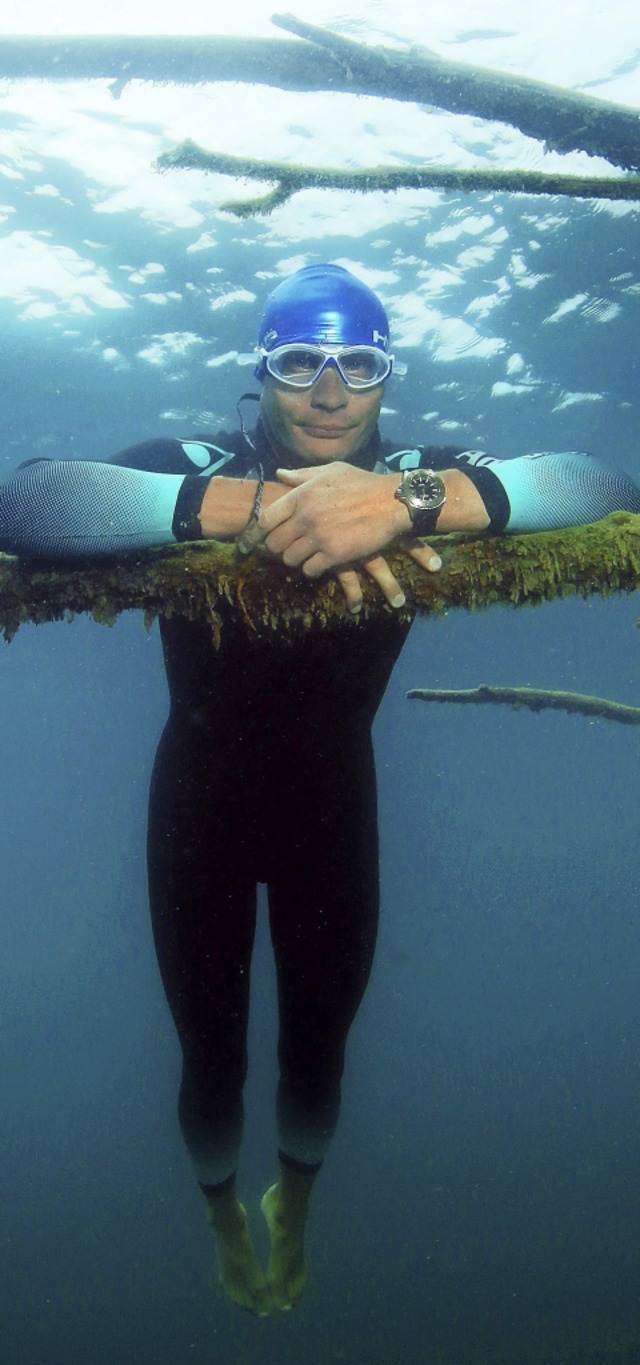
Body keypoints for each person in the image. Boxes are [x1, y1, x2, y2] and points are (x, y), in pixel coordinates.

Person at [1, 264, 639, 1317]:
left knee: (318, 1052)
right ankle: (218, 1218)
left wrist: (408, 502)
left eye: (360, 364)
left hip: (334, 807)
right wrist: (248, 510)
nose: (332, 392)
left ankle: (294, 1207)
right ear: (262, 376)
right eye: (301, 363)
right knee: (208, 1057)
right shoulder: (200, 464)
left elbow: (606, 488)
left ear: (388, 378)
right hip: (195, 807)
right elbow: (25, 501)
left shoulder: (421, 474)